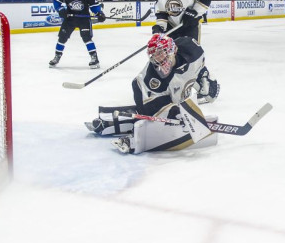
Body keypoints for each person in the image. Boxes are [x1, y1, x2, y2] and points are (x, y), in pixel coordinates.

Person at [85, 34, 220, 155]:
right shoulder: (153, 78)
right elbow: (155, 103)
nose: (158, 60)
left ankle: (107, 118)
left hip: (170, 88)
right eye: (154, 56)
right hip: (144, 93)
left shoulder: (191, 48)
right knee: (155, 115)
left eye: (161, 53)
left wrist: (205, 78)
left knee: (176, 108)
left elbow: (197, 65)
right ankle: (109, 121)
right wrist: (174, 112)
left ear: (173, 50)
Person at [48, 0, 106, 69]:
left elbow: (94, 5)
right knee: (62, 38)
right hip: (69, 18)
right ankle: (57, 56)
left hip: (84, 19)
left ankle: (94, 58)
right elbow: (56, 1)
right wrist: (60, 10)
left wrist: (99, 13)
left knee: (86, 38)